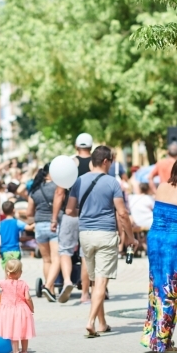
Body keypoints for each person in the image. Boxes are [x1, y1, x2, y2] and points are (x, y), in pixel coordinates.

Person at [66, 145, 135, 337]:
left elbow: (70, 210)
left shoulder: (79, 181)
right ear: (106, 161)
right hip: (105, 234)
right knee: (102, 283)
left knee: (96, 281)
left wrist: (88, 213)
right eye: (111, 161)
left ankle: (102, 323)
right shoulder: (112, 183)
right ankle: (90, 322)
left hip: (85, 235)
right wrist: (129, 237)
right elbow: (122, 213)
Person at [141, 157, 177, 353]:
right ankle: (163, 343)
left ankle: (153, 337)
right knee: (171, 291)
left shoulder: (162, 187)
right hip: (175, 242)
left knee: (156, 289)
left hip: (155, 238)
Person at [51, 133, 94, 303]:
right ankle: (85, 294)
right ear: (90, 147)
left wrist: (54, 218)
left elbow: (59, 192)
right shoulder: (95, 164)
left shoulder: (71, 164)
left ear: (76, 146)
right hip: (89, 214)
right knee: (86, 255)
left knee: (65, 250)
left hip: (70, 213)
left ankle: (67, 280)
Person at [27, 164, 62, 302]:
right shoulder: (57, 187)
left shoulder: (35, 189)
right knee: (56, 259)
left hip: (39, 226)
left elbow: (29, 212)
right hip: (54, 225)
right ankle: (48, 286)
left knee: (46, 260)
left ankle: (51, 290)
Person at [0, 201, 28, 268]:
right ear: (14, 210)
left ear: (3, 211)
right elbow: (28, 228)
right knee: (15, 271)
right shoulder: (16, 222)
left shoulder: (1, 224)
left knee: (7, 271)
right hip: (15, 250)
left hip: (4, 251)